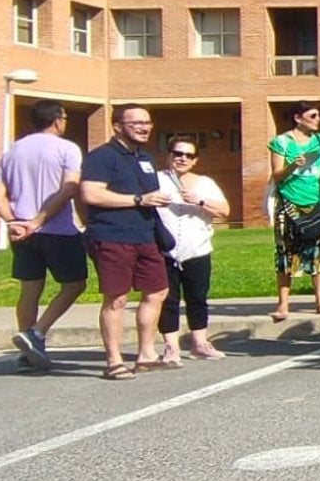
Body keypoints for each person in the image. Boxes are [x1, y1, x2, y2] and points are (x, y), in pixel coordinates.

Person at [79, 105, 172, 380]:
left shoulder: (144, 157)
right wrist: (137, 200)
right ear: (117, 126)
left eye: (147, 122)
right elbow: (90, 194)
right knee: (117, 298)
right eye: (136, 123)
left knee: (157, 292)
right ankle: (114, 361)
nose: (144, 127)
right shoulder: (102, 157)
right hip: (112, 236)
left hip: (145, 235)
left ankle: (146, 354)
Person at [0, 100, 86, 371]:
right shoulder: (67, 148)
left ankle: (28, 348)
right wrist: (37, 221)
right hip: (57, 231)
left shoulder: (13, 151)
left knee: (30, 289)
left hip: (21, 232)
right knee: (74, 284)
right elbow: (68, 189)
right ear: (57, 120)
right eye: (65, 117)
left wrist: (13, 222)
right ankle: (36, 333)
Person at [154, 136, 230, 364]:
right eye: (177, 154)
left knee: (197, 297)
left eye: (188, 155)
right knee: (168, 300)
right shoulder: (157, 180)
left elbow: (225, 210)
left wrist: (199, 201)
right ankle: (171, 348)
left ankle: (200, 343)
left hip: (197, 249)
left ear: (195, 160)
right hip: (165, 250)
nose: (182, 158)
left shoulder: (205, 183)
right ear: (169, 156)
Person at [269, 103, 320, 321]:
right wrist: (291, 167)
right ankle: (283, 304)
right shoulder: (282, 142)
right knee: (288, 252)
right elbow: (277, 176)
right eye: (312, 115)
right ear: (298, 118)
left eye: (319, 115)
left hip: (318, 201)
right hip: (290, 202)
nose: (318, 119)